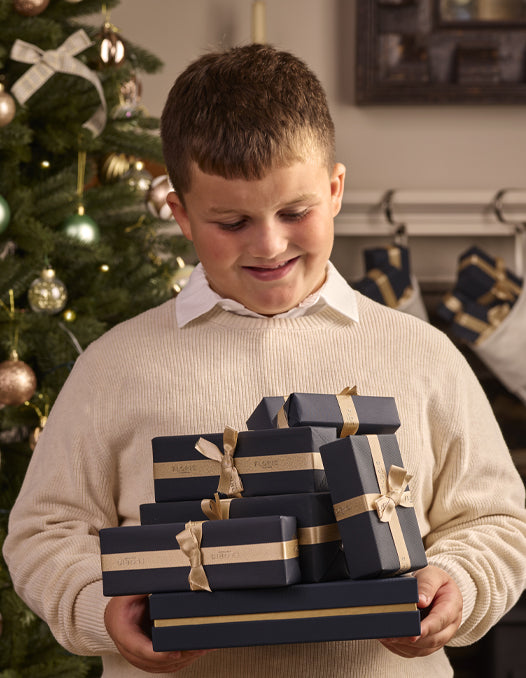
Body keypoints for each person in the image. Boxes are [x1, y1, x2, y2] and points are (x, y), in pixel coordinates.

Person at [3, 44, 526, 678]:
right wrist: (99, 603)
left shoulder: (422, 353)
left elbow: (496, 519)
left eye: (295, 212)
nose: (270, 244)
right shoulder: (112, 366)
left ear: (334, 190)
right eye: (232, 221)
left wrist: (460, 586)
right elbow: (45, 531)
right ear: (181, 214)